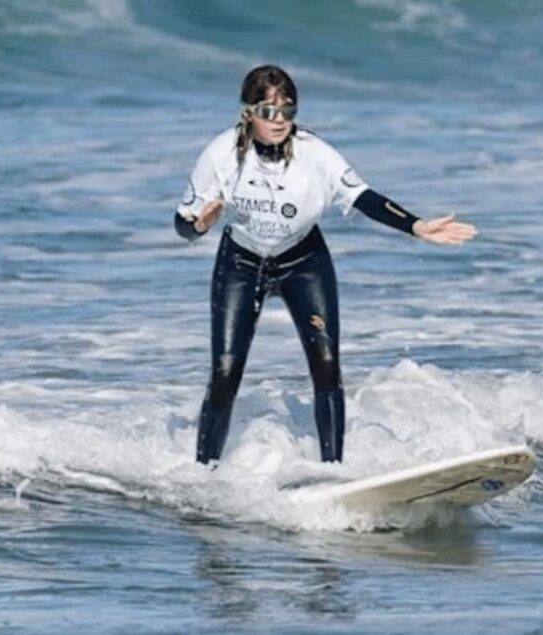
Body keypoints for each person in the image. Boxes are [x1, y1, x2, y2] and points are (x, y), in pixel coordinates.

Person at [175, 64, 476, 465]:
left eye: (287, 111)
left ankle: (333, 468)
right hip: (241, 263)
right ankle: (203, 472)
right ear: (248, 112)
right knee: (226, 372)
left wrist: (415, 226)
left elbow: (364, 196)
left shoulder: (315, 154)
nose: (279, 121)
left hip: (304, 261)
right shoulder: (221, 154)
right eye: (268, 111)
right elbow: (183, 226)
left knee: (327, 366)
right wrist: (200, 225)